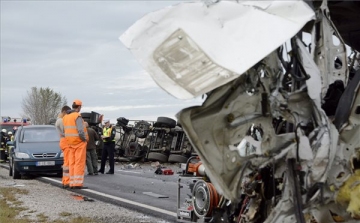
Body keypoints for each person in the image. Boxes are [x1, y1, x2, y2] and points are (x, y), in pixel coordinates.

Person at [63, 99, 88, 189]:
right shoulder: (77, 116)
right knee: (79, 163)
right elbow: (80, 131)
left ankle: (72, 182)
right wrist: (84, 139)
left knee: (72, 163)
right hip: (79, 142)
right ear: (79, 107)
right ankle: (77, 183)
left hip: (70, 143)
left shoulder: (66, 117)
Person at [55, 105, 71, 188]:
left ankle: (66, 180)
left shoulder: (60, 120)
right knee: (67, 162)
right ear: (64, 112)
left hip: (64, 141)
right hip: (65, 141)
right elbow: (67, 131)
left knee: (67, 162)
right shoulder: (61, 121)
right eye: (68, 113)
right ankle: (66, 181)